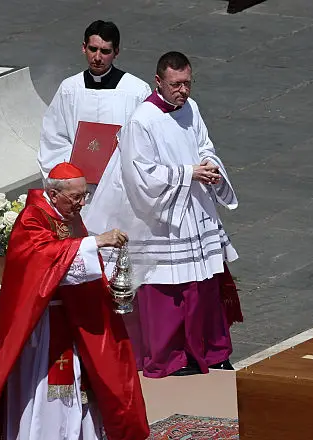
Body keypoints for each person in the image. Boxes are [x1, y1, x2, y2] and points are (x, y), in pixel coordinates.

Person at [0, 162, 150, 440]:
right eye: (75, 197)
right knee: (52, 404)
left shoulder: (68, 216)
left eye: (84, 196)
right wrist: (94, 242)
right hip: (43, 332)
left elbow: (78, 261)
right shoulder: (33, 218)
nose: (81, 203)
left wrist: (101, 262)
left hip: (72, 323)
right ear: (54, 193)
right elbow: (42, 261)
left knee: (82, 401)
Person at [85, 51, 240, 378]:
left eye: (187, 83)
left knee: (205, 286)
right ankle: (171, 357)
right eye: (175, 84)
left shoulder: (191, 108)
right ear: (158, 81)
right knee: (169, 293)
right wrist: (188, 173)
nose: (183, 91)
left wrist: (209, 164)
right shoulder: (142, 121)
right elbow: (140, 174)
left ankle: (212, 352)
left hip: (194, 209)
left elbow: (205, 144)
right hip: (162, 218)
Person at [37, 20, 151, 207]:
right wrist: (73, 173)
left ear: (116, 52)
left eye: (105, 51)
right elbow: (53, 138)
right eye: (93, 49)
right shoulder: (70, 89)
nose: (97, 57)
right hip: (78, 188)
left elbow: (145, 139)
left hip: (120, 187)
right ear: (84, 47)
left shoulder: (136, 91)